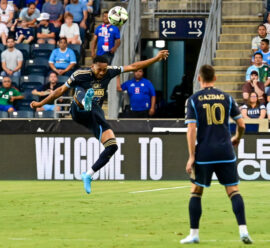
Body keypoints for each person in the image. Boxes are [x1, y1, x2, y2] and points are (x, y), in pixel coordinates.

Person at [30, 50, 169, 194]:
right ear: (92, 67)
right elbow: (60, 90)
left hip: (94, 113)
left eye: (104, 69)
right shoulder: (80, 75)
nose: (102, 73)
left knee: (112, 146)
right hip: (77, 111)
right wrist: (41, 104)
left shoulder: (109, 71)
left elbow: (133, 67)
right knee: (80, 91)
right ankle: (85, 102)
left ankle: (88, 174)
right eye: (99, 69)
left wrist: (156, 58)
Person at [181, 64, 252, 245]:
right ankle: (243, 230)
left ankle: (194, 234)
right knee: (233, 190)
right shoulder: (226, 98)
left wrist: (191, 156)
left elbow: (191, 130)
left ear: (199, 79)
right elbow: (242, 124)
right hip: (225, 151)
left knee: (196, 191)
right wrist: (237, 137)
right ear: (216, 77)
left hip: (204, 152)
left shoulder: (194, 99)